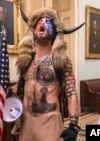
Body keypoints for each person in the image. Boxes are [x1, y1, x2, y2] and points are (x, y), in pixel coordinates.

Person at [15, 7, 83, 141]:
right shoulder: (25, 58)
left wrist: (74, 125)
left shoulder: (62, 60)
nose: (42, 24)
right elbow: (21, 89)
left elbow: (71, 92)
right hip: (26, 120)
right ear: (34, 30)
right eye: (39, 22)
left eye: (47, 22)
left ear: (54, 33)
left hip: (49, 121)